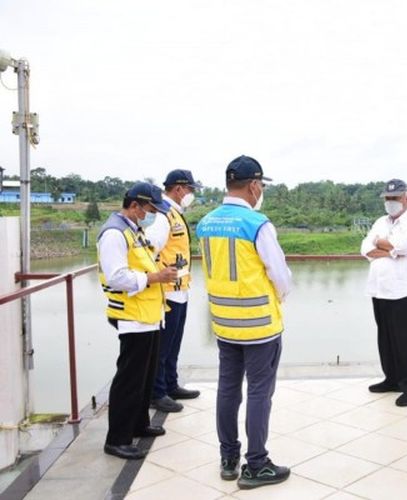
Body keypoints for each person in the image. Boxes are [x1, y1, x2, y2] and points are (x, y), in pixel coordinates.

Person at [196, 155, 292, 489]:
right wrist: (281, 295)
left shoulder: (205, 223)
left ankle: (228, 457)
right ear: (253, 185)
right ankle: (256, 465)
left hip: (223, 323)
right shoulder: (257, 224)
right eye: (261, 186)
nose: (260, 191)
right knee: (259, 392)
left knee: (227, 389)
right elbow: (279, 274)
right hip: (259, 325)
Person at [97, 182, 178, 460]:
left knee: (144, 376)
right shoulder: (114, 234)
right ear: (134, 206)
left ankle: (139, 424)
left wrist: (160, 271)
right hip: (133, 317)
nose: (151, 214)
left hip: (149, 315)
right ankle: (117, 438)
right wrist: (156, 277)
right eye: (150, 209)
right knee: (129, 379)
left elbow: (143, 263)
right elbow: (116, 276)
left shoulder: (134, 231)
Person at [360, 178, 407, 407]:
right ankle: (392, 379)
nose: (391, 202)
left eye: (395, 198)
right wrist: (390, 249)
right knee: (385, 337)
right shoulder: (380, 221)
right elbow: (365, 248)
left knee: (406, 340)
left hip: (405, 290)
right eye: (388, 198)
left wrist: (384, 245)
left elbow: (406, 245)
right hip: (379, 289)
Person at [146, 169, 202, 413]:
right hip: (166, 291)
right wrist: (158, 275)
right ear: (179, 189)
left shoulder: (175, 214)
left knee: (174, 344)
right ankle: (157, 393)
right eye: (190, 190)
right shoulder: (162, 217)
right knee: (163, 346)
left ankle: (170, 384)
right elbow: (149, 250)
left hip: (180, 289)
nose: (192, 194)